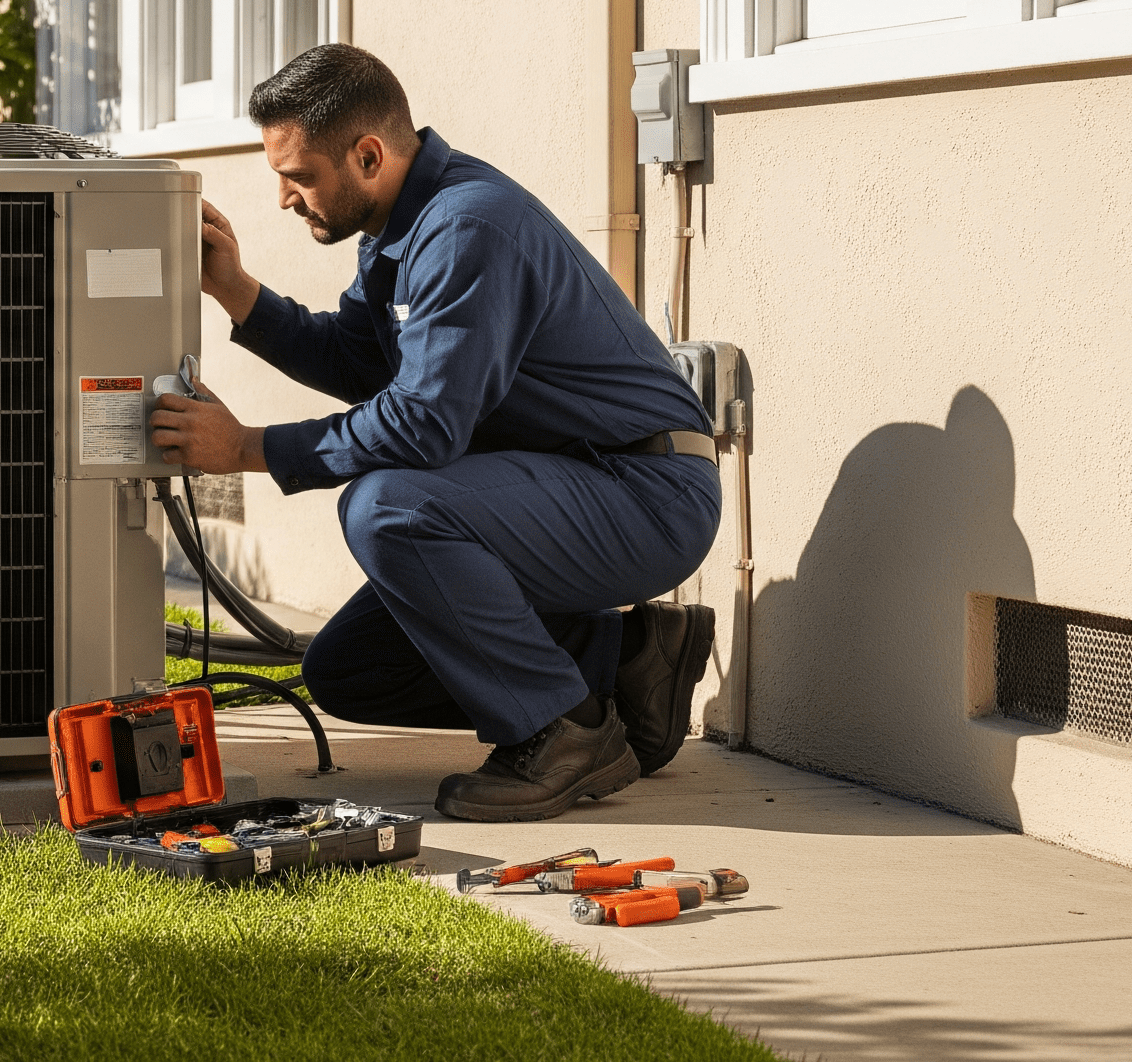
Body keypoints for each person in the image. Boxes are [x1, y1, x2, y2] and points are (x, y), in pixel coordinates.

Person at [148, 46, 722, 822]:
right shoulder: (399, 224)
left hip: (644, 492)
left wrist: (246, 447)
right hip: (569, 485)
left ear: (368, 155)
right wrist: (236, 291)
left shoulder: (464, 228)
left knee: (388, 508)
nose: (283, 197)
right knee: (350, 669)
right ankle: (628, 665)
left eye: (299, 175)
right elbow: (361, 359)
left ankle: (562, 731)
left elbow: (423, 426)